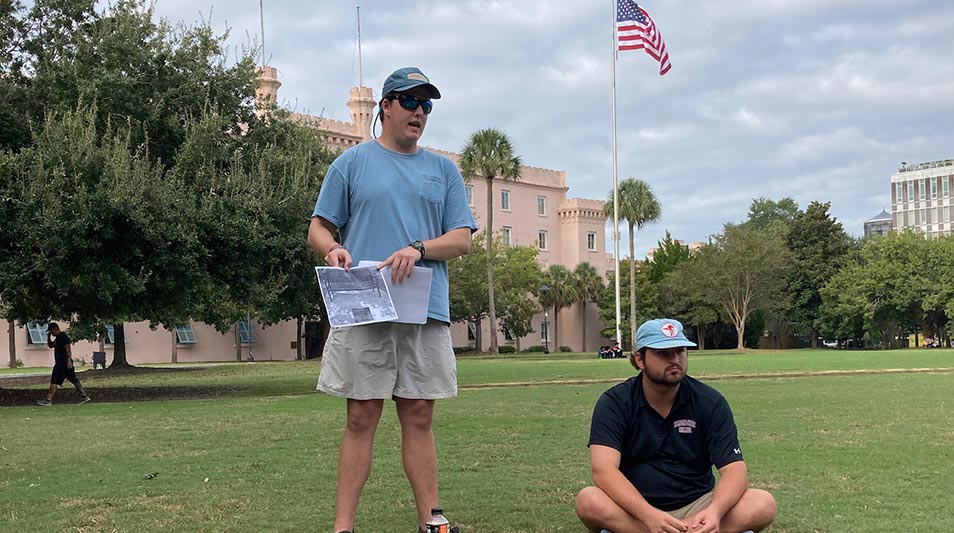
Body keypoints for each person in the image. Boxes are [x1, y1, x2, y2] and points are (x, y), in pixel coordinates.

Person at [307, 67, 475, 533]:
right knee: (361, 414)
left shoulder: (443, 170)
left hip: (425, 307)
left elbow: (461, 239)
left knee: (419, 414)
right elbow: (319, 226)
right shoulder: (352, 163)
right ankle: (343, 526)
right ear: (385, 105)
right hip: (365, 303)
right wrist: (333, 247)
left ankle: (431, 521)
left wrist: (418, 248)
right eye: (410, 102)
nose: (420, 112)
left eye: (427, 105)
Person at [575, 318, 777, 533]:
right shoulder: (615, 403)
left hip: (698, 504)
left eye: (680, 351)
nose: (675, 359)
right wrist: (649, 515)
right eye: (663, 353)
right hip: (637, 508)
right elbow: (603, 470)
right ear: (640, 360)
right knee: (588, 500)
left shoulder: (709, 402)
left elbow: (735, 471)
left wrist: (715, 512)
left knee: (763, 503)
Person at [36, 322, 91, 406]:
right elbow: (51, 345)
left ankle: (48, 400)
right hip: (62, 362)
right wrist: (48, 337)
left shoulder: (62, 336)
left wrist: (68, 361)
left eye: (51, 330)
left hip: (63, 363)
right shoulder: (58, 338)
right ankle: (84, 396)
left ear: (55, 329)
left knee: (54, 380)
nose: (51, 332)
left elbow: (68, 349)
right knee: (73, 379)